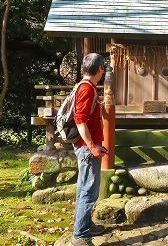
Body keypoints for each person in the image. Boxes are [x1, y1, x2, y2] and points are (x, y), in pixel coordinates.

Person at [70, 53, 107, 246]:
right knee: (88, 190)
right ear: (99, 69)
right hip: (87, 148)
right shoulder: (87, 89)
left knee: (85, 187)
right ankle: (80, 236)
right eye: (103, 67)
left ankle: (84, 224)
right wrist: (92, 146)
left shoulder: (86, 86)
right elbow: (79, 120)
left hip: (87, 146)